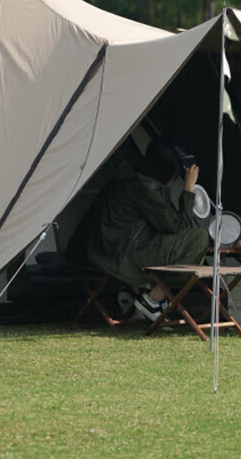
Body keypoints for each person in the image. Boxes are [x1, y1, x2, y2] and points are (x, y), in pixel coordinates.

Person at [86, 136, 209, 321]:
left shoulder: (131, 179)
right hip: (123, 257)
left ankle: (145, 297)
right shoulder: (145, 189)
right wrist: (188, 189)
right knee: (198, 238)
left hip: (109, 252)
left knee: (183, 243)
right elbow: (179, 228)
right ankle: (153, 299)